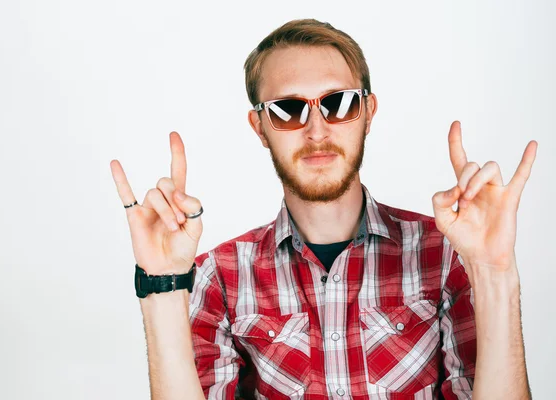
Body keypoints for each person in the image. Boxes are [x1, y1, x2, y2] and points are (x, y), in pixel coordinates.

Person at [110, 19, 536, 399]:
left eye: (340, 103)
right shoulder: (218, 277)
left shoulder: (447, 256)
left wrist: (495, 272)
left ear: (368, 112)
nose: (317, 130)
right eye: (288, 109)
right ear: (259, 127)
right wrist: (162, 283)